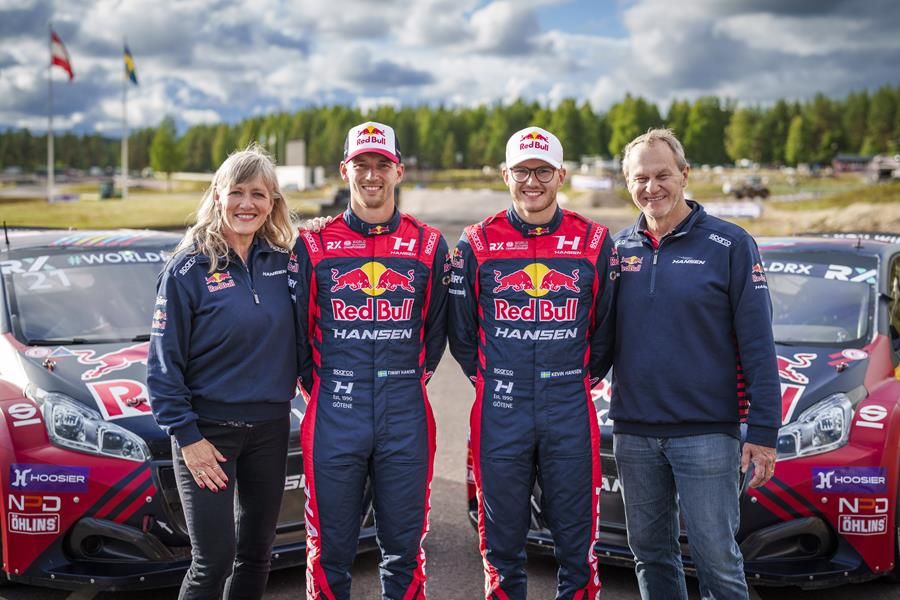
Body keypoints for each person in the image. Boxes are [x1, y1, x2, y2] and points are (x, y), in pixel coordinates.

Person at [610, 128, 781, 600]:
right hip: (634, 432)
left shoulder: (730, 245)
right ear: (628, 183)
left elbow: (759, 346)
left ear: (684, 175)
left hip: (707, 433)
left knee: (717, 561)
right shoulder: (617, 249)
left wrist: (764, 434)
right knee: (650, 556)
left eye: (662, 175)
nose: (652, 187)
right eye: (640, 178)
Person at [448, 126, 617, 600]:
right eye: (522, 171)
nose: (532, 181)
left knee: (577, 547)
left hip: (570, 406)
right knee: (501, 547)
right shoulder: (476, 243)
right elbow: (461, 336)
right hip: (500, 408)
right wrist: (499, 379)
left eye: (543, 170)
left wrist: (573, 378)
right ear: (505, 174)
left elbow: (604, 333)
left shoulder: (594, 240)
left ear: (561, 174)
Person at [289, 121, 449, 599]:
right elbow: (299, 336)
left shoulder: (429, 245)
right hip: (335, 411)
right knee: (330, 549)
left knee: (403, 550)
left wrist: (399, 380)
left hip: (405, 410)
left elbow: (436, 333)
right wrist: (330, 386)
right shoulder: (313, 243)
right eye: (362, 165)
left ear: (399, 171)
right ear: (345, 170)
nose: (372, 175)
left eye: (383, 164)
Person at [148, 145, 298, 599]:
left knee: (256, 554)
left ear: (273, 202)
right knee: (212, 560)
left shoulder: (284, 262)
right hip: (208, 434)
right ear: (218, 195)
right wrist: (188, 438)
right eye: (237, 192)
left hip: (271, 428)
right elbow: (161, 366)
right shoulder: (187, 268)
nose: (247, 204)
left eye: (259, 194)